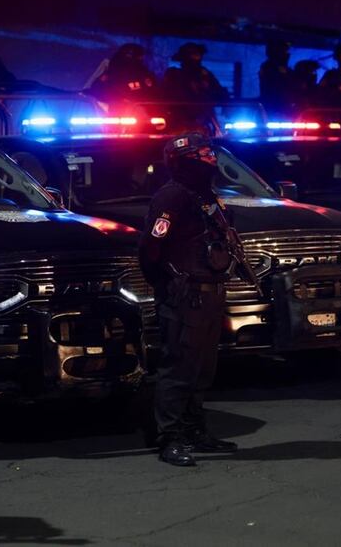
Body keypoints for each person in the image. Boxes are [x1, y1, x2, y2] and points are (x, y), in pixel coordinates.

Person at [138, 133, 242, 467]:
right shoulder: (172, 197)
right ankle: (170, 438)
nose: (210, 158)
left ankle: (195, 431)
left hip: (210, 294)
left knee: (202, 370)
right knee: (178, 369)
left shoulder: (206, 197)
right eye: (202, 153)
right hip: (184, 297)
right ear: (182, 159)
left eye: (210, 152)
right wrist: (167, 286)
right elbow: (151, 249)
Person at [87, 43, 158, 105]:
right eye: (139, 57)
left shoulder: (144, 74)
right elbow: (97, 91)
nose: (141, 59)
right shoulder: (112, 74)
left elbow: (152, 93)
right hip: (115, 111)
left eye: (140, 57)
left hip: (139, 111)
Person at [162, 42, 229, 103]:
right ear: (184, 58)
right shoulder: (174, 74)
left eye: (197, 55)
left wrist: (207, 90)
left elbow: (219, 93)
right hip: (180, 113)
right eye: (191, 55)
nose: (195, 57)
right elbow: (168, 96)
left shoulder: (206, 74)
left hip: (204, 112)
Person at [258, 39, 297, 116]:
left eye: (287, 50)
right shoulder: (269, 67)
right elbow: (279, 86)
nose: (287, 53)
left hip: (283, 107)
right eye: (284, 50)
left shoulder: (282, 67)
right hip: (275, 108)